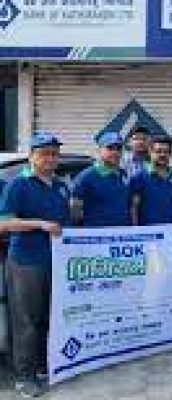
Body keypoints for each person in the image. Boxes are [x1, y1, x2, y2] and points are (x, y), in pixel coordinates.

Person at [0, 132, 69, 398]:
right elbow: (4, 223)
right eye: (44, 153)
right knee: (26, 320)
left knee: (48, 317)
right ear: (32, 156)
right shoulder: (18, 185)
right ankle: (24, 377)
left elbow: (66, 222)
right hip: (26, 262)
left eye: (54, 153)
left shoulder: (61, 185)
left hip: (55, 261)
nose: (50, 158)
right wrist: (40, 224)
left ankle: (42, 366)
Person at [129, 135, 172, 225]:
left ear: (170, 154)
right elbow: (134, 208)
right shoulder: (139, 178)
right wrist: (136, 229)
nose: (162, 155)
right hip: (149, 231)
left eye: (166, 152)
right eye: (158, 151)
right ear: (150, 152)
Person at [71, 131, 131, 227]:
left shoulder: (123, 174)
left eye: (119, 148)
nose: (115, 152)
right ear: (99, 150)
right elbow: (74, 211)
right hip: (96, 234)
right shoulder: (86, 176)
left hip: (122, 233)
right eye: (110, 148)